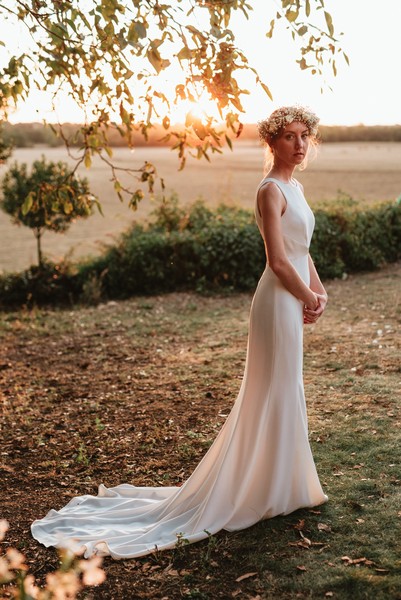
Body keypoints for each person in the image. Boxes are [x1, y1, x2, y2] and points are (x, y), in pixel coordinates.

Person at [31, 105, 328, 560]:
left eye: (304, 135)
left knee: (288, 387)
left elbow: (302, 250)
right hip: (276, 301)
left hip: (295, 295)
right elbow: (278, 260)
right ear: (272, 142)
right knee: (270, 389)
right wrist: (305, 297)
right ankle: (261, 487)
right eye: (289, 136)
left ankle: (285, 483)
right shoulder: (270, 190)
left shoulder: (298, 186)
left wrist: (318, 289)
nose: (300, 143)